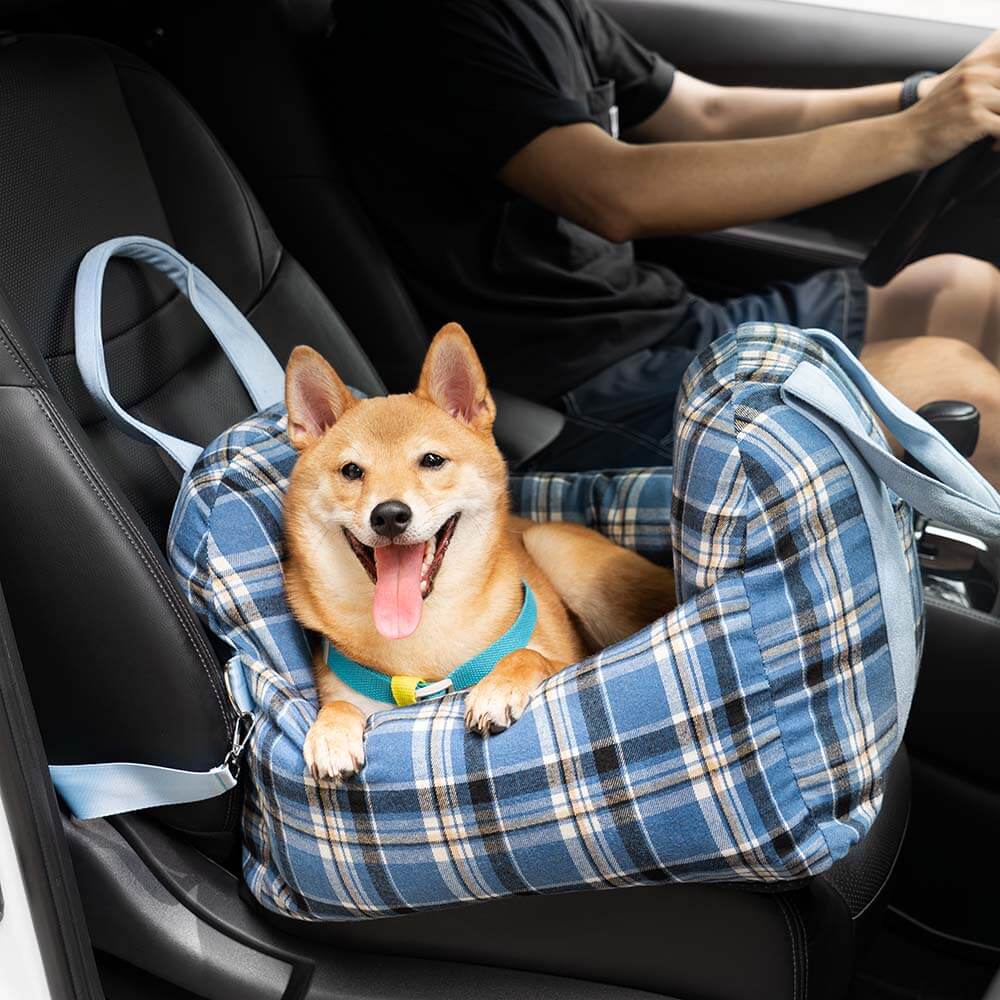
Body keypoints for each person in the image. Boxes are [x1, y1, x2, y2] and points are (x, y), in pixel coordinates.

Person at [330, 1, 1000, 482]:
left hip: (659, 325)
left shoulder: (549, 10)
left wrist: (919, 97)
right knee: (955, 385)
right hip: (575, 394)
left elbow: (702, 111)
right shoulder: (427, 25)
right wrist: (913, 137)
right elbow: (613, 193)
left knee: (959, 290)